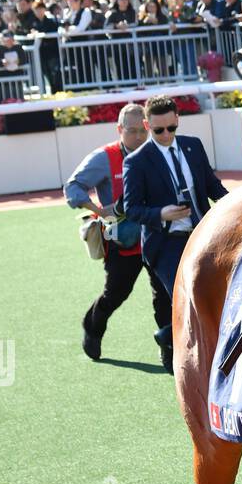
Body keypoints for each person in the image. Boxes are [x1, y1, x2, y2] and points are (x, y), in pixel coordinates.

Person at [123, 95, 228, 372]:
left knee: (221, 291)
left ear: (178, 120)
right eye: (159, 130)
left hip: (203, 235)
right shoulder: (137, 162)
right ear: (147, 125)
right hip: (166, 244)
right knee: (190, 298)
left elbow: (213, 187)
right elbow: (131, 208)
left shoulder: (193, 146)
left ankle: (167, 335)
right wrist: (161, 214)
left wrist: (240, 206)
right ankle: (190, 358)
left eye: (172, 128)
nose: (166, 134)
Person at [65, 104, 171, 364]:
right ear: (119, 129)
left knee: (165, 295)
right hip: (123, 241)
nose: (137, 136)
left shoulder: (159, 150)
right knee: (116, 293)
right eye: (131, 131)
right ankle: (93, 327)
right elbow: (72, 188)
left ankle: (168, 348)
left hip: (157, 236)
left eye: (142, 130)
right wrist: (98, 210)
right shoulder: (104, 157)